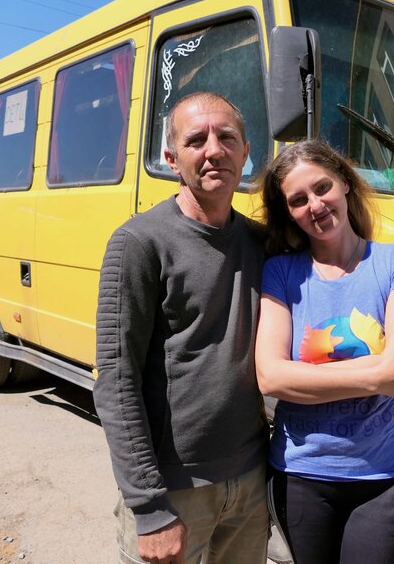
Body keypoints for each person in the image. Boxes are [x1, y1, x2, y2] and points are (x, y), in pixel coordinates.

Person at [93, 92, 268, 564]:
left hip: (252, 481)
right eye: (196, 140)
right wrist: (149, 508)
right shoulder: (138, 243)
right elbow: (116, 379)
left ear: (246, 152)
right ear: (171, 158)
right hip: (175, 492)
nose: (214, 150)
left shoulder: (260, 242)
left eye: (227, 137)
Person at [255, 139, 394, 564]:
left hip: (384, 476)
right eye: (298, 200)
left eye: (322, 187)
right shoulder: (281, 272)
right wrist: (375, 376)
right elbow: (271, 378)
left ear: (346, 184)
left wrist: (308, 382)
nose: (314, 205)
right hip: (300, 475)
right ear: (289, 213)